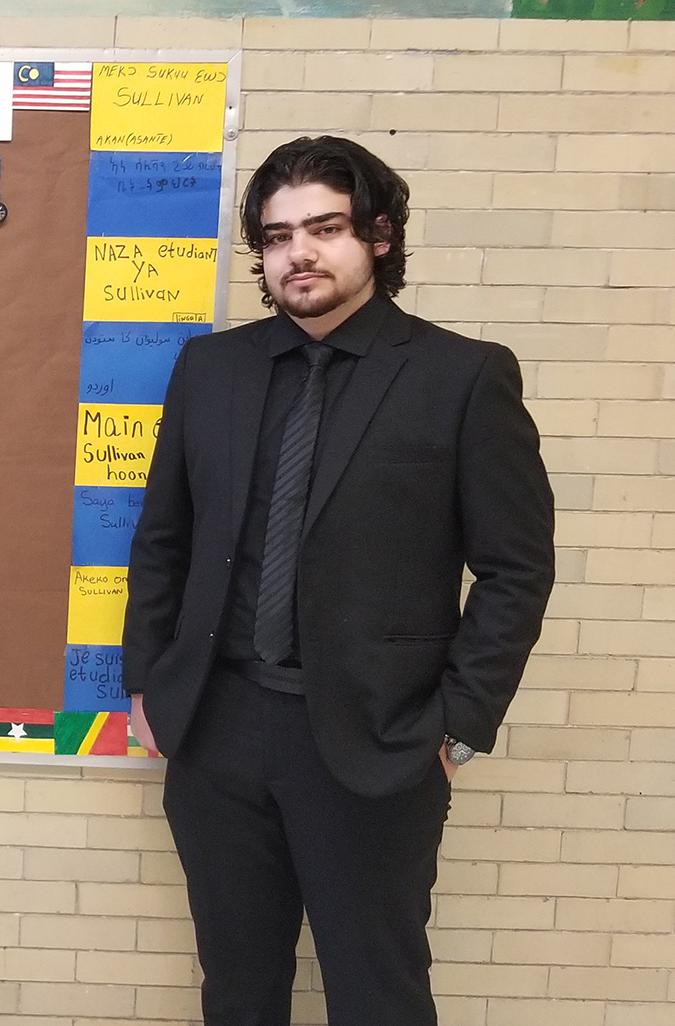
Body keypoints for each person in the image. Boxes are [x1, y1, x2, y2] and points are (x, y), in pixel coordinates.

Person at [122, 136, 555, 1026]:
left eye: (323, 228)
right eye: (277, 237)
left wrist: (460, 723)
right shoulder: (212, 370)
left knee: (377, 994)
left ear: (380, 237)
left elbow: (516, 568)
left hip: (376, 740)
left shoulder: (463, 378)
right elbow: (163, 540)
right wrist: (148, 683)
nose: (299, 254)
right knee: (237, 992)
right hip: (218, 734)